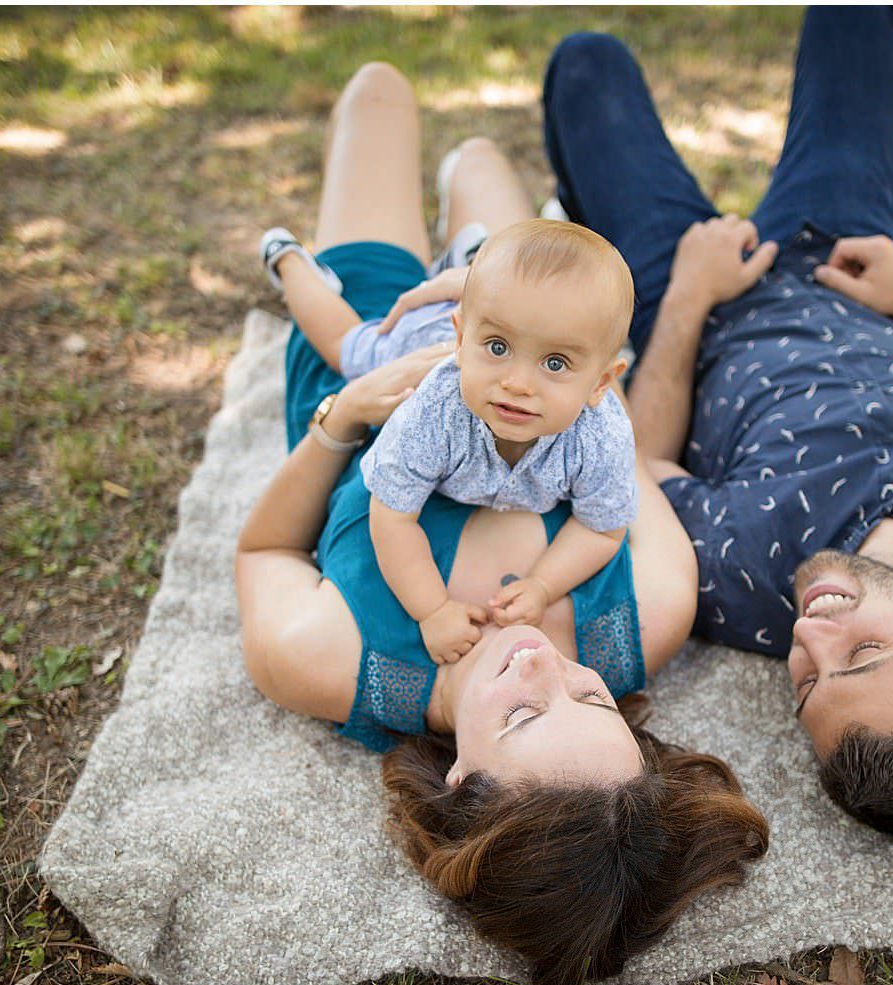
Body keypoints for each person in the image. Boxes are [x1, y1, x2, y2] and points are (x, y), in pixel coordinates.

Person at [235, 61, 768, 985]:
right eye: (591, 700)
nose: (540, 664)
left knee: (376, 89)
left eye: (523, 715)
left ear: (460, 786)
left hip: (365, 351)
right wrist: (529, 339)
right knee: (483, 166)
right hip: (514, 324)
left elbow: (265, 549)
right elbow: (620, 460)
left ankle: (310, 257)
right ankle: (470, 230)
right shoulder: (652, 609)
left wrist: (347, 417)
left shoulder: (323, 659)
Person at [541, 7, 893, 840]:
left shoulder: (741, 585)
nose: (811, 635)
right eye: (865, 655)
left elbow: (647, 458)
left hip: (692, 297)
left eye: (806, 684)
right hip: (851, 258)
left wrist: (692, 295)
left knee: (585, 63)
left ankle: (601, 222)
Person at [258, 218, 639, 665]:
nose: (517, 383)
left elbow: (603, 526)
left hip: (487, 315)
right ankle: (289, 261)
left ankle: (472, 263)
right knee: (348, 349)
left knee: (512, 310)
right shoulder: (433, 411)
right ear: (464, 339)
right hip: (420, 341)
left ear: (601, 382)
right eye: (498, 347)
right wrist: (433, 610)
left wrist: (543, 584)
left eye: (555, 363)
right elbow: (392, 517)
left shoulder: (602, 436)